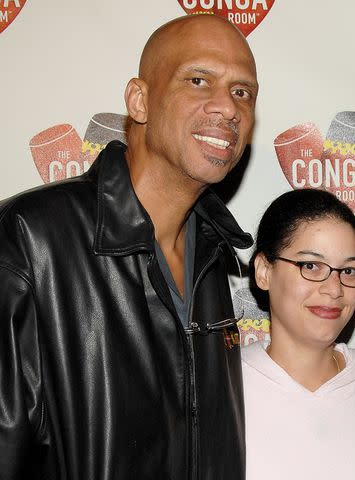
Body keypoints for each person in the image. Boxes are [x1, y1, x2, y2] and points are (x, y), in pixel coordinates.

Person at [0, 14, 258, 479]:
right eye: (198, 80)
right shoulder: (30, 238)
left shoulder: (213, 255)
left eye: (243, 92)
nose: (228, 107)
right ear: (139, 100)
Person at [242, 188, 355, 480]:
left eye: (349, 271)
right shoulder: (220, 384)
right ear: (264, 271)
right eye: (311, 266)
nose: (334, 289)